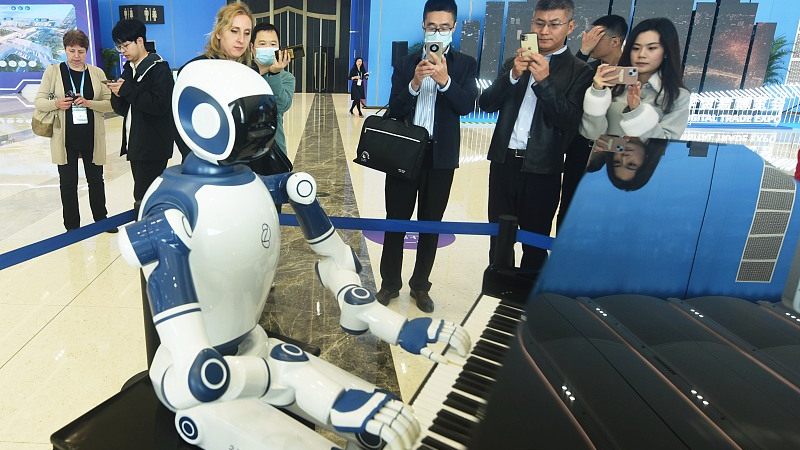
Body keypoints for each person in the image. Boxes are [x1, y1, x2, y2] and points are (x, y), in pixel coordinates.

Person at [376, 0, 478, 313]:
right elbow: (394, 107)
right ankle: (389, 284)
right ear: (424, 26)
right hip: (405, 154)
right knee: (395, 221)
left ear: (454, 28)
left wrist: (445, 81)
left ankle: (420, 285)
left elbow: (466, 106)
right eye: (433, 26)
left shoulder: (464, 65)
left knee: (430, 225)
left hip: (441, 157)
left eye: (445, 28)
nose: (438, 32)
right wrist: (415, 83)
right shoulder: (407, 63)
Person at [479, 0, 593, 274]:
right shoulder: (513, 62)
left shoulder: (580, 71)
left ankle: (526, 302)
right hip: (504, 164)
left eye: (554, 24)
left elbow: (571, 122)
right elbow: (487, 103)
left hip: (543, 170)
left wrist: (544, 82)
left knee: (535, 243)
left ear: (570, 26)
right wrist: (514, 75)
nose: (544, 31)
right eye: (539, 23)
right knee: (499, 240)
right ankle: (499, 292)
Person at [34, 30, 116, 233]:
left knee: (96, 180)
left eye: (81, 51)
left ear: (86, 51)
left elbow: (111, 104)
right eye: (72, 51)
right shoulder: (53, 71)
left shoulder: (97, 73)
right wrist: (56, 103)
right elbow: (39, 102)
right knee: (68, 183)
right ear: (65, 50)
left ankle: (101, 219)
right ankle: (72, 226)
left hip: (92, 136)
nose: (76, 56)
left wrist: (90, 103)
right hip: (65, 138)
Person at [558, 14, 628, 228]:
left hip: (616, 156)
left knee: (604, 213)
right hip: (580, 152)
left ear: (615, 41)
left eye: (595, 37)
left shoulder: (635, 74)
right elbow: (566, 87)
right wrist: (584, 52)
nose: (587, 40)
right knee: (569, 208)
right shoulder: (588, 70)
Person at [580, 17, 690, 143]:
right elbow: (591, 134)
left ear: (666, 52)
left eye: (652, 48)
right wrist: (597, 93)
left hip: (642, 163)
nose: (641, 54)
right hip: (603, 161)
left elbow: (664, 145)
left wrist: (637, 112)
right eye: (636, 48)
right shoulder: (614, 83)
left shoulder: (677, 96)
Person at [108, 18, 174, 214]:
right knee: (143, 194)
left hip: (153, 146)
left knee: (146, 197)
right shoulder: (129, 69)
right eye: (119, 47)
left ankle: (148, 234)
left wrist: (127, 90)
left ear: (139, 41)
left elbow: (160, 106)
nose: (122, 51)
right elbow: (125, 109)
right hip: (136, 144)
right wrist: (117, 94)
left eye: (125, 45)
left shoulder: (159, 69)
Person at [175, 3, 254, 159]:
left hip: (244, 161)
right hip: (205, 161)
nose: (241, 40)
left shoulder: (250, 73)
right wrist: (198, 158)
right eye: (234, 31)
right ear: (218, 32)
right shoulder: (195, 70)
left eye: (247, 33)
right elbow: (179, 122)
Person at [250, 22, 294, 157]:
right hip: (243, 151)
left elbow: (280, 106)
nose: (268, 48)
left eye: (273, 44)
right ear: (252, 47)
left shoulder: (286, 77)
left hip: (274, 151)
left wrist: (274, 74)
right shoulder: (242, 74)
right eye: (262, 44)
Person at [586, 137, 667, 191]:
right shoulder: (665, 133)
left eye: (617, 162)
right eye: (631, 164)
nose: (624, 158)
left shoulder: (607, 132)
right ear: (646, 161)